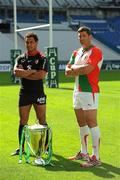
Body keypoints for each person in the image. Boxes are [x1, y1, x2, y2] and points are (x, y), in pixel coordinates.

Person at [65, 26, 103, 168]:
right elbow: (66, 71)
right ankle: (84, 152)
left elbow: (88, 69)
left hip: (89, 91)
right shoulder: (76, 52)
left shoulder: (96, 51)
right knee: (81, 123)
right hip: (77, 91)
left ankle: (96, 158)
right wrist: (76, 69)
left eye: (83, 36)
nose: (81, 38)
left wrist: (74, 69)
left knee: (92, 122)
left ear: (90, 36)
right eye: (79, 36)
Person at [11, 32, 48, 156]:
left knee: (42, 120)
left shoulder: (43, 58)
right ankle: (21, 147)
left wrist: (25, 72)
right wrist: (32, 71)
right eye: (27, 42)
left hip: (38, 93)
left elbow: (41, 75)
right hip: (25, 93)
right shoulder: (20, 58)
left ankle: (45, 147)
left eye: (31, 42)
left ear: (36, 43)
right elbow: (16, 72)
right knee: (23, 121)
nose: (29, 44)